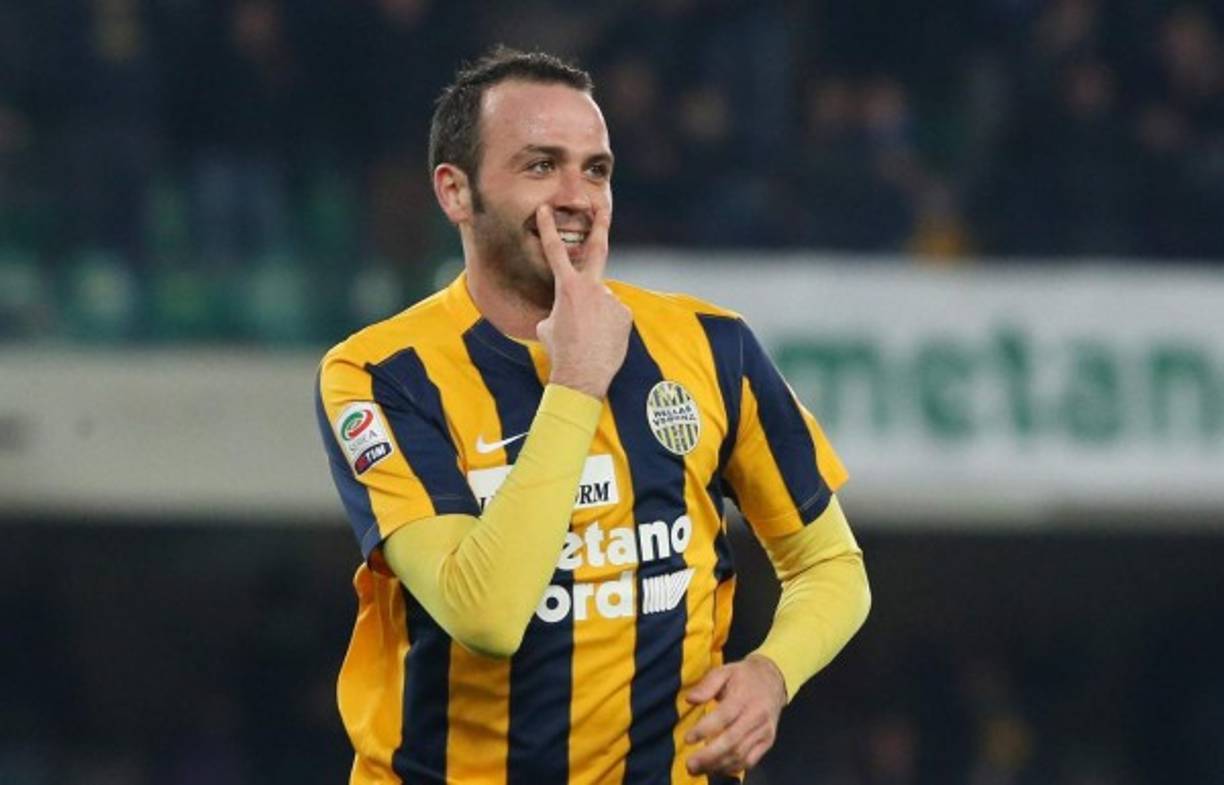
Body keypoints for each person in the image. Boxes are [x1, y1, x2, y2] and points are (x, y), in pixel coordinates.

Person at [316, 46, 871, 785]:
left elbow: (830, 565)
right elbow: (486, 616)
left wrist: (773, 672)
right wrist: (577, 380)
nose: (578, 196)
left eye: (597, 169)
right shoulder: (382, 374)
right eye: (542, 166)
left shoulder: (711, 346)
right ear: (456, 192)